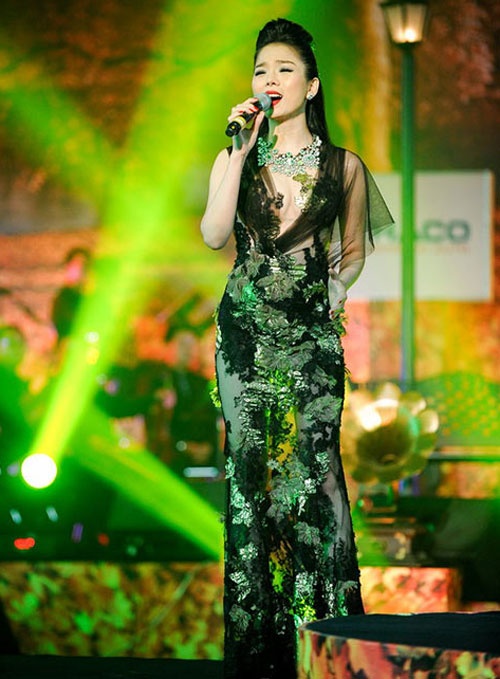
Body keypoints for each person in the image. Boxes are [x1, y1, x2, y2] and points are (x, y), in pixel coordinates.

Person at [200, 18, 393, 679]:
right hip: (245, 335)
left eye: (284, 69)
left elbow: (353, 251)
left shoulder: (344, 166)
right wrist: (237, 150)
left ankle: (328, 643)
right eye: (261, 70)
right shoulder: (236, 155)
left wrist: (330, 294)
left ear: (311, 86)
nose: (270, 79)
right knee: (250, 476)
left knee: (314, 476)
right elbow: (214, 234)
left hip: (309, 337)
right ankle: (261, 648)